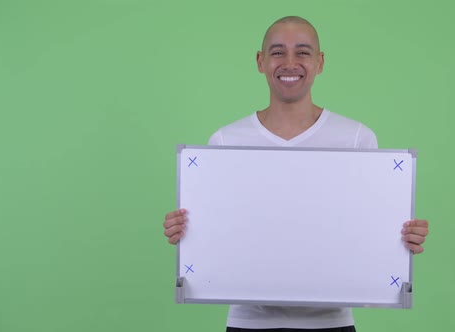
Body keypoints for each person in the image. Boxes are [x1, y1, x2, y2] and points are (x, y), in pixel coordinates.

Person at [163, 16, 429, 332]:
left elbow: (367, 226)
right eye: (278, 52)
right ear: (260, 61)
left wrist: (401, 238)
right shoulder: (225, 141)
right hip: (249, 323)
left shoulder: (356, 138)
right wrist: (187, 231)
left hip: (332, 323)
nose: (290, 63)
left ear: (320, 62)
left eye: (302, 52)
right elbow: (217, 229)